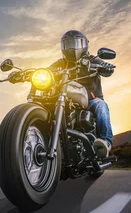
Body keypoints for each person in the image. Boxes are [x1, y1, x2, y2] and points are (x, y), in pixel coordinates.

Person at [48, 30, 115, 158]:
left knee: (101, 106)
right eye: (68, 44)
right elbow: (46, 70)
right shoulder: (61, 63)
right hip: (67, 101)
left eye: (76, 43)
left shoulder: (93, 60)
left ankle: (105, 143)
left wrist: (106, 67)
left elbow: (107, 69)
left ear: (84, 45)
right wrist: (29, 74)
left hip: (90, 100)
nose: (72, 48)